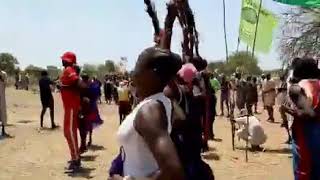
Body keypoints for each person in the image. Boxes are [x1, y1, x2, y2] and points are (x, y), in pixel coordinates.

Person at [112, 47, 185, 180]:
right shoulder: (160, 101)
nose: (133, 74)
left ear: (153, 74)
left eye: (138, 68)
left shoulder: (149, 110)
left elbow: (173, 171)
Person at [281, 58, 320, 180]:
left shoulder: (298, 87)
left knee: (303, 171)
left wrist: (287, 110)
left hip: (306, 135)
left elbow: (309, 114)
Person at [59, 51, 84, 171]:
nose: (62, 61)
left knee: (69, 132)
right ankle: (75, 157)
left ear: (68, 61)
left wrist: (83, 92)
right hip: (70, 106)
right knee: (70, 132)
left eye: (63, 59)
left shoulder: (69, 69)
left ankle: (76, 159)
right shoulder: (68, 70)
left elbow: (77, 82)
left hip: (71, 106)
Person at [277, 73, 291, 144]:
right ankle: (289, 136)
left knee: (287, 121)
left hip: (286, 104)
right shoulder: (283, 84)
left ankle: (290, 137)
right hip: (284, 104)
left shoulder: (285, 85)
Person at [0, 71, 8, 136]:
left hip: (1, 97)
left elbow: (6, 83)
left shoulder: (4, 74)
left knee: (2, 113)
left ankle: (3, 131)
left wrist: (1, 78)